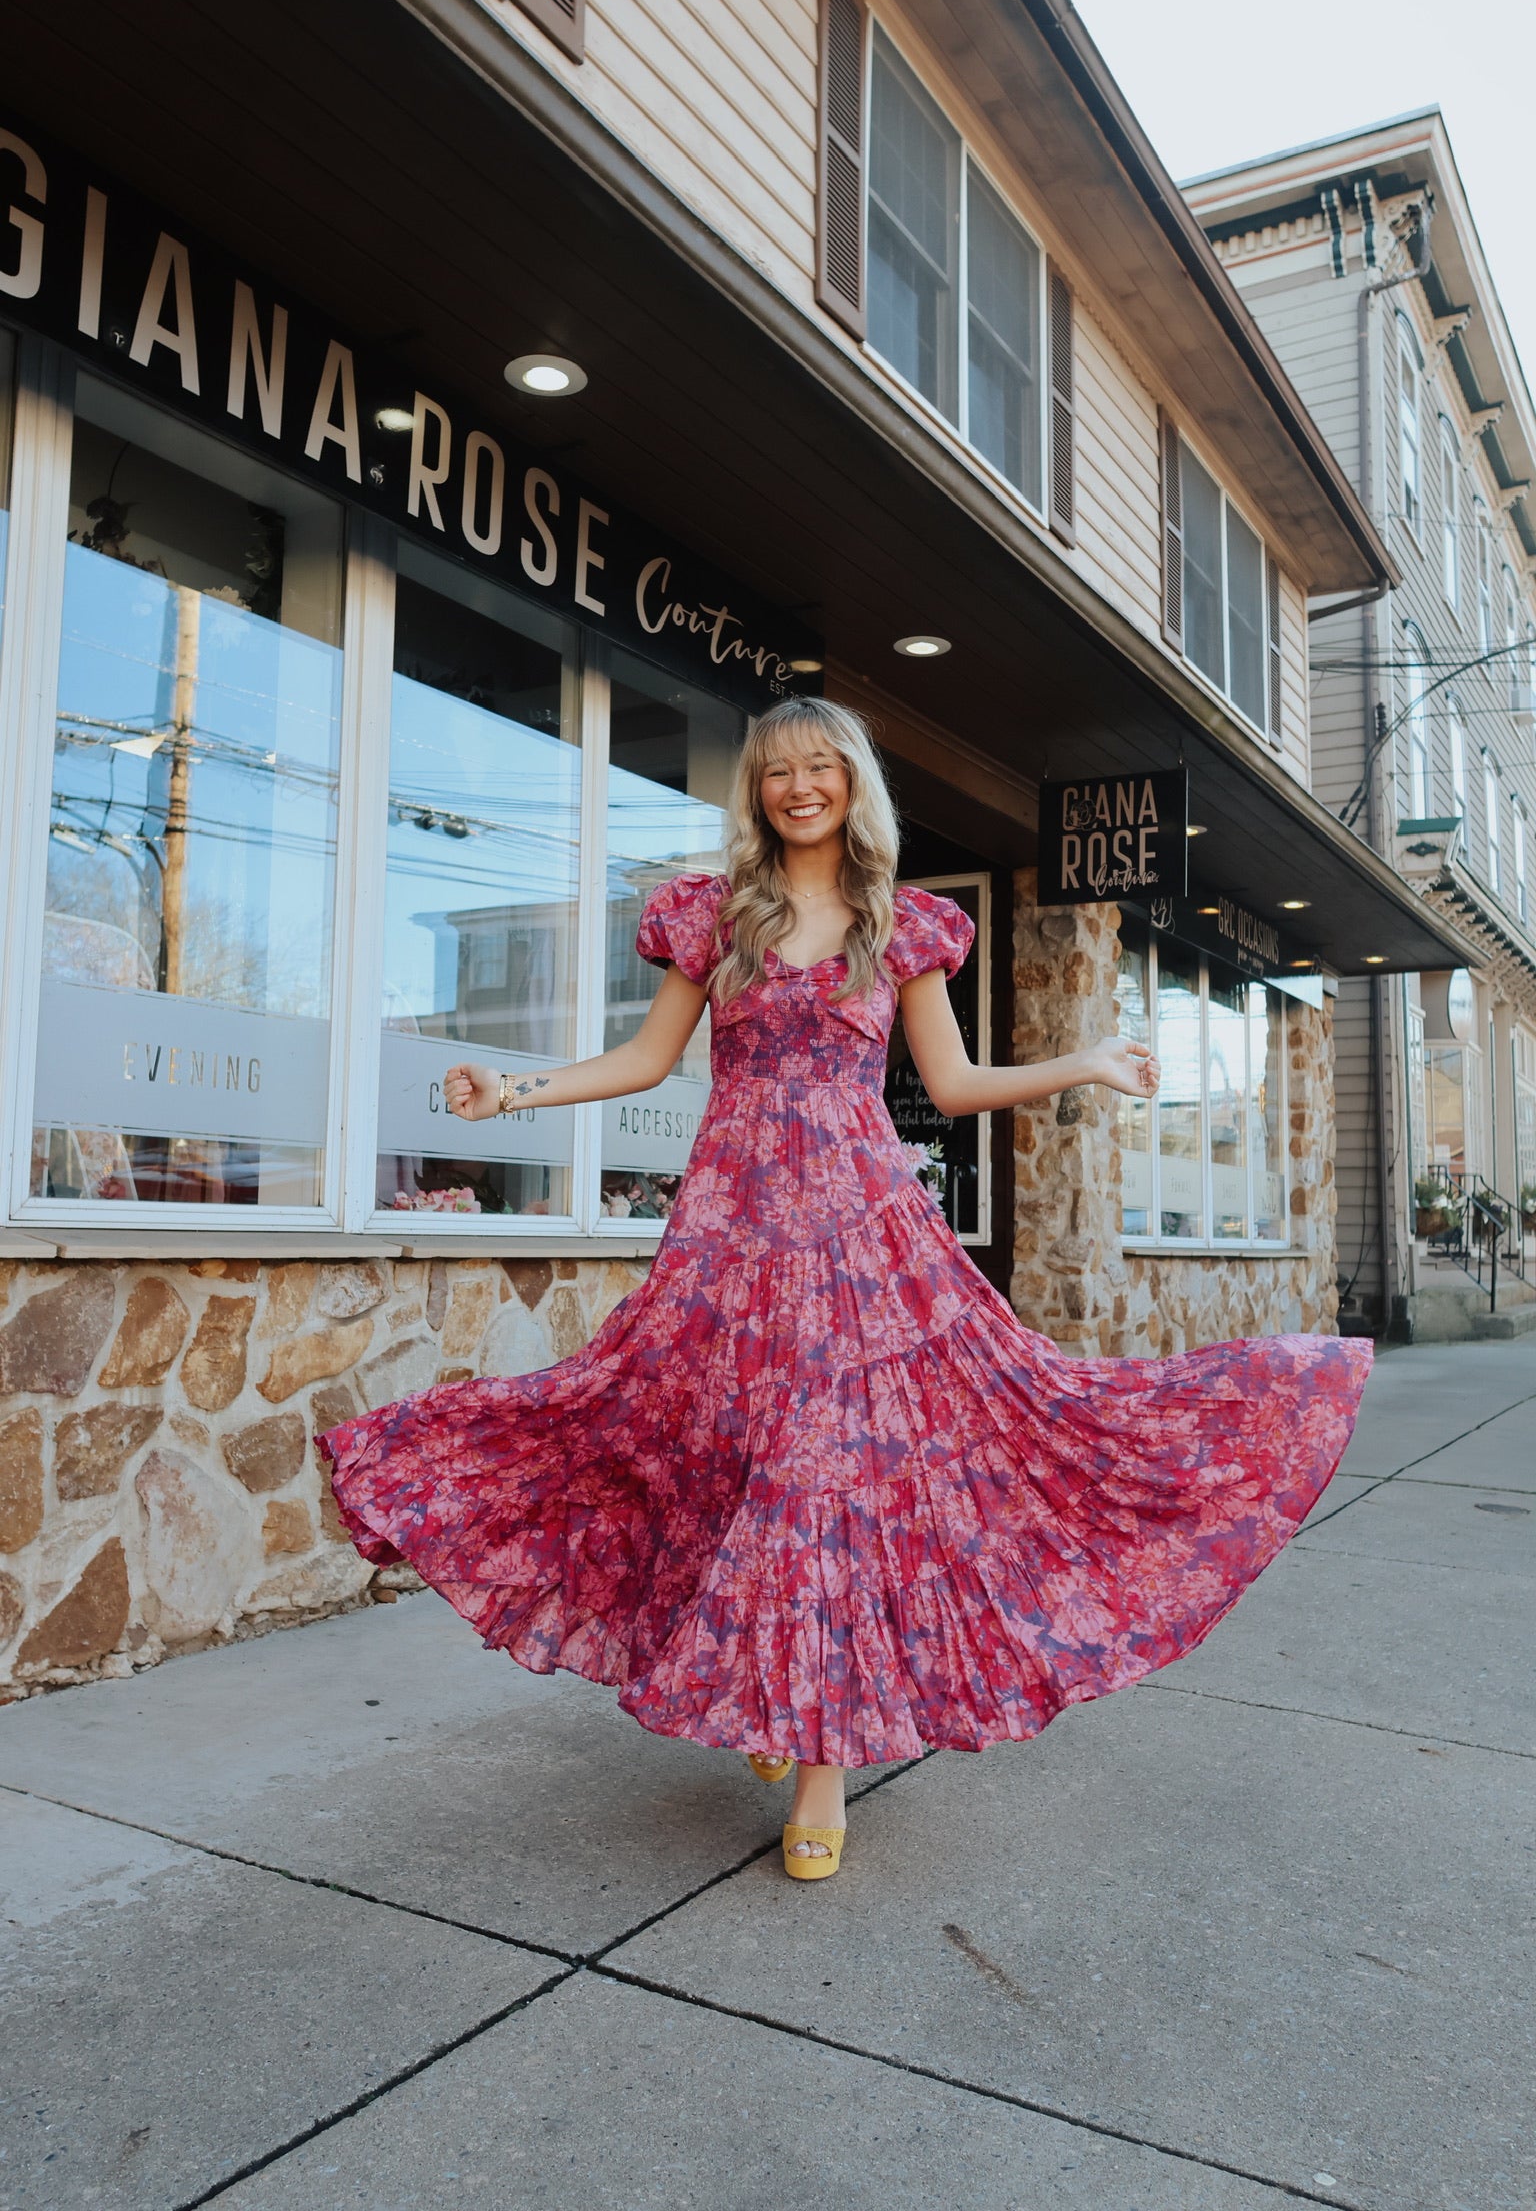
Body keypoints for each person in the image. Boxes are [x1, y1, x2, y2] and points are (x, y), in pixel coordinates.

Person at [323, 698, 1370, 1883]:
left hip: (866, 1233)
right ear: (758, 791)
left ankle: (818, 1760)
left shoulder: (900, 924)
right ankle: (767, 1678)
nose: (799, 786)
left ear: (852, 784)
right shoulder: (710, 917)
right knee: (704, 1449)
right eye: (778, 771)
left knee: (833, 1479)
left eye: (821, 767)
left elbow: (954, 1083)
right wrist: (511, 1096)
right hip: (733, 1233)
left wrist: (1082, 1060)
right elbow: (647, 1061)